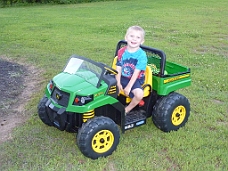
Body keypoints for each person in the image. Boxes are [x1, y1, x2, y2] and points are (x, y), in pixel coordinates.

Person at [115, 26, 147, 114]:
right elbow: (118, 67)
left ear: (142, 41)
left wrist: (128, 87)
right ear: (126, 37)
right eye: (131, 36)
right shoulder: (122, 51)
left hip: (134, 79)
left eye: (138, 37)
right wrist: (118, 82)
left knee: (139, 94)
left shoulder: (142, 55)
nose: (134, 39)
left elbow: (136, 73)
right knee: (105, 84)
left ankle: (127, 109)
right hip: (122, 76)